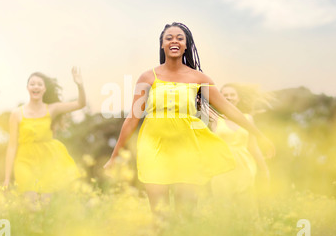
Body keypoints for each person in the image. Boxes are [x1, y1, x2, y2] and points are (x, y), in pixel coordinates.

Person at [103, 22, 275, 220]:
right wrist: (114, 156)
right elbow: (132, 119)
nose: (174, 41)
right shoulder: (148, 77)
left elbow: (229, 109)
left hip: (187, 148)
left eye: (179, 38)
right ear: (162, 45)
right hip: (153, 148)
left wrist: (259, 134)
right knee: (160, 216)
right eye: (169, 38)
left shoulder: (199, 78)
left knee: (186, 215)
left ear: (186, 45)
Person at [3, 67, 86, 211]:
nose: (36, 86)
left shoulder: (52, 109)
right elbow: (11, 146)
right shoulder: (17, 114)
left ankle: (41, 232)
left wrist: (79, 84)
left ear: (44, 89)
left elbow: (80, 104)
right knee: (31, 205)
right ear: (28, 88)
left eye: (39, 84)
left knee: (46, 207)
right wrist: (6, 178)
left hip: (47, 161)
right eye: (32, 84)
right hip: (24, 161)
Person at [210, 83, 272, 218]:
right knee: (223, 209)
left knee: (246, 209)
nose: (229, 98)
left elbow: (253, 147)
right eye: (225, 95)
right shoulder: (214, 118)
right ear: (219, 97)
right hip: (222, 168)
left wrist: (264, 169)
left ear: (238, 98)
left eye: (232, 95)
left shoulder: (248, 119)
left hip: (244, 167)